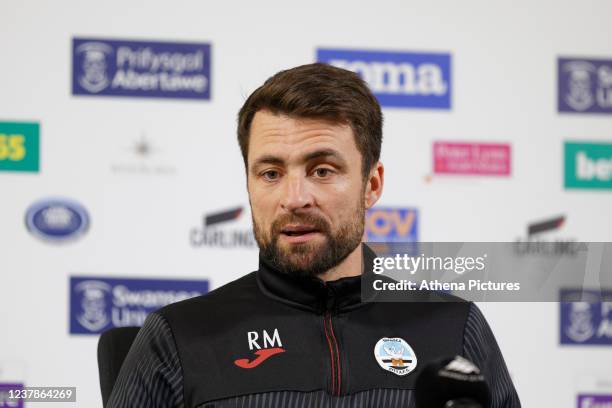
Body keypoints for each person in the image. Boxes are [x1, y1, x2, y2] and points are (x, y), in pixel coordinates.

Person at [107, 63, 521, 407]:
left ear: (371, 185)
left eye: (322, 170)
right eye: (271, 173)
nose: (295, 197)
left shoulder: (454, 328)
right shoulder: (180, 336)